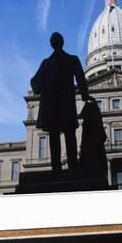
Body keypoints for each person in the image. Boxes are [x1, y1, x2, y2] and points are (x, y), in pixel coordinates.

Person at [30, 32, 92, 172]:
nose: (56, 43)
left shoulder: (72, 60)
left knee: (70, 136)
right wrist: (41, 88)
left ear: (61, 42)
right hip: (52, 106)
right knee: (54, 138)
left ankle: (73, 167)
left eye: (57, 40)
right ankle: (56, 168)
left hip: (66, 104)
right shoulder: (46, 63)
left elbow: (81, 80)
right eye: (54, 41)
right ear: (52, 44)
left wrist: (85, 96)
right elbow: (34, 81)